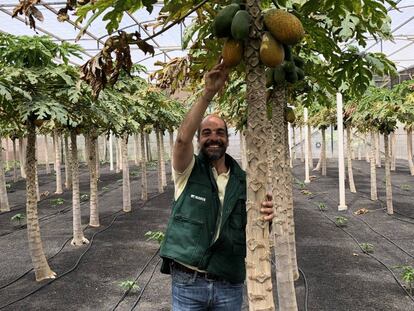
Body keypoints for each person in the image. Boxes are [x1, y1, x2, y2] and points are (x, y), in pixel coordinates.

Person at [159, 62, 274, 311]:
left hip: (228, 283)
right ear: (199, 139)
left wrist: (267, 217)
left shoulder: (245, 181)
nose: (213, 137)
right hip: (189, 281)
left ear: (227, 139)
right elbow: (181, 139)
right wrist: (208, 93)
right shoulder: (188, 171)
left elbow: (254, 227)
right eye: (207, 133)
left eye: (220, 132)